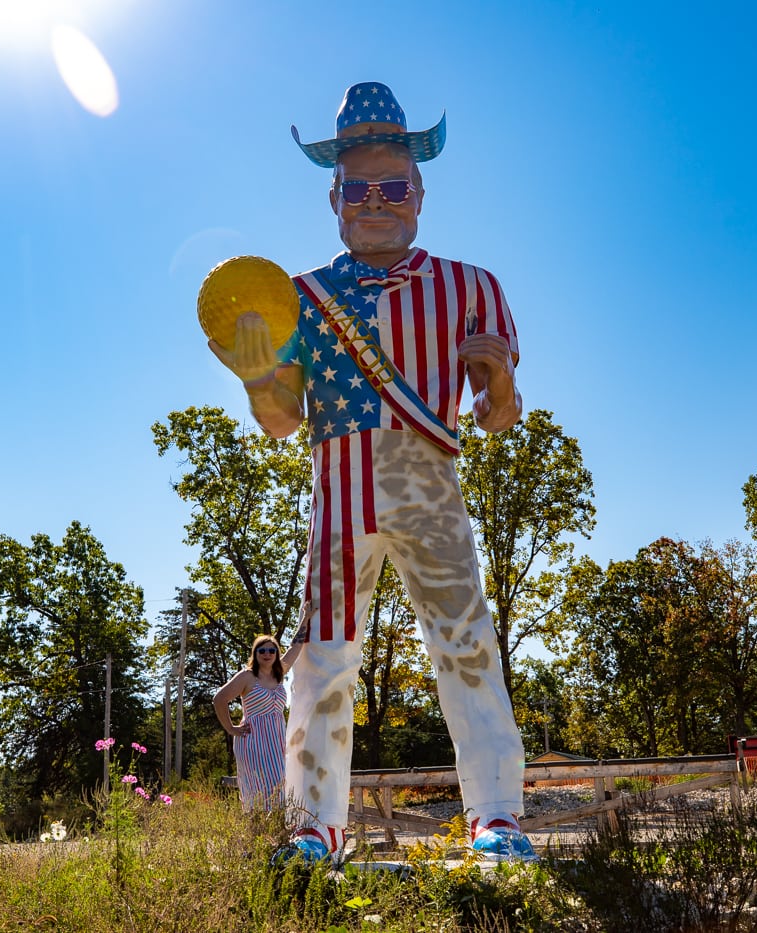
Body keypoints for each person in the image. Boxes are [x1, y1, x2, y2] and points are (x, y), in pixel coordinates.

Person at [207, 81, 535, 862]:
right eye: (361, 187)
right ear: (335, 197)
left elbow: (497, 414)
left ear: (421, 190)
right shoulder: (301, 299)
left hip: (432, 487)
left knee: (466, 645)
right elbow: (283, 418)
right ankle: (314, 823)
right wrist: (258, 373)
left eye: (394, 185)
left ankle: (497, 815)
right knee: (322, 656)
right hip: (339, 491)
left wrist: (502, 389)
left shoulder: (471, 286)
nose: (378, 200)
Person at [214, 634, 303, 811]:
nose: (267, 654)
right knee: (259, 787)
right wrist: (231, 728)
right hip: (253, 741)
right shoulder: (247, 676)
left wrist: (306, 617)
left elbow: (296, 647)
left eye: (272, 650)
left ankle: (277, 831)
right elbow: (219, 699)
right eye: (262, 650)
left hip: (276, 741)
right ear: (255, 653)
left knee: (281, 783)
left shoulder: (279, 674)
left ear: (276, 654)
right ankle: (258, 830)